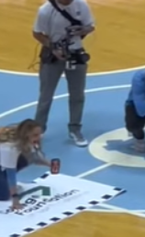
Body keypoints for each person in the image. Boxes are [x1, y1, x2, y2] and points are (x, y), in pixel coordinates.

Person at [33, 0, 95, 147]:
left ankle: (75, 129)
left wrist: (81, 31)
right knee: (45, 96)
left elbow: (91, 26)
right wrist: (53, 47)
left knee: (77, 95)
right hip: (52, 56)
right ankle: (37, 131)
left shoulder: (81, 5)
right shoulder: (45, 10)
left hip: (76, 53)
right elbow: (36, 33)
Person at [0, 120, 48, 210]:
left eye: (40, 134)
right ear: (27, 135)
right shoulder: (9, 148)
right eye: (35, 135)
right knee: (4, 194)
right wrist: (15, 199)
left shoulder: (21, 135)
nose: (40, 137)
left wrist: (49, 164)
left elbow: (34, 157)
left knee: (26, 158)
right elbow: (10, 174)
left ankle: (3, 180)